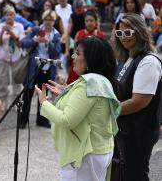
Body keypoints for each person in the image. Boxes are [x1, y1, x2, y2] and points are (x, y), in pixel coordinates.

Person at [35, 36, 121, 181]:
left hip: (85, 154)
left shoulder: (88, 83)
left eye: (78, 53)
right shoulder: (100, 79)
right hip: (98, 150)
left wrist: (44, 103)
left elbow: (67, 120)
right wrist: (65, 93)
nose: (73, 56)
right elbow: (86, 106)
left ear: (90, 60)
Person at [114, 13, 162, 181]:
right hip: (124, 128)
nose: (123, 37)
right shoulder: (126, 58)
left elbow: (139, 102)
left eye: (128, 33)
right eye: (120, 34)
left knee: (136, 176)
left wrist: (108, 111)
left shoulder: (148, 61)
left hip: (140, 131)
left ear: (139, 32)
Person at [19, 10, 62, 129]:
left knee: (44, 93)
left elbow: (57, 53)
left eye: (51, 20)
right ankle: (23, 119)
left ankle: (42, 119)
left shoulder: (56, 34)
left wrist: (49, 43)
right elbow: (23, 43)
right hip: (34, 66)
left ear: (54, 21)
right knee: (28, 92)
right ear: (43, 20)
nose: (48, 22)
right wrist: (35, 40)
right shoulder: (36, 30)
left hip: (48, 67)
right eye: (46, 19)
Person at [0, 6, 25, 111]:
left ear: (15, 16)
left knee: (16, 82)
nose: (9, 17)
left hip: (16, 58)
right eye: (7, 15)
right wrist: (3, 32)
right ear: (4, 16)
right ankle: (3, 102)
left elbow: (21, 44)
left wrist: (12, 33)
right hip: (3, 58)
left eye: (11, 15)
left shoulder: (19, 26)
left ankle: (15, 103)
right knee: (2, 81)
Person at [67, 10, 105, 84]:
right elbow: (75, 49)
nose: (89, 23)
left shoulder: (100, 34)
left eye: (91, 20)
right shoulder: (79, 33)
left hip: (94, 65)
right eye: (87, 21)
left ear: (96, 22)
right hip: (79, 62)